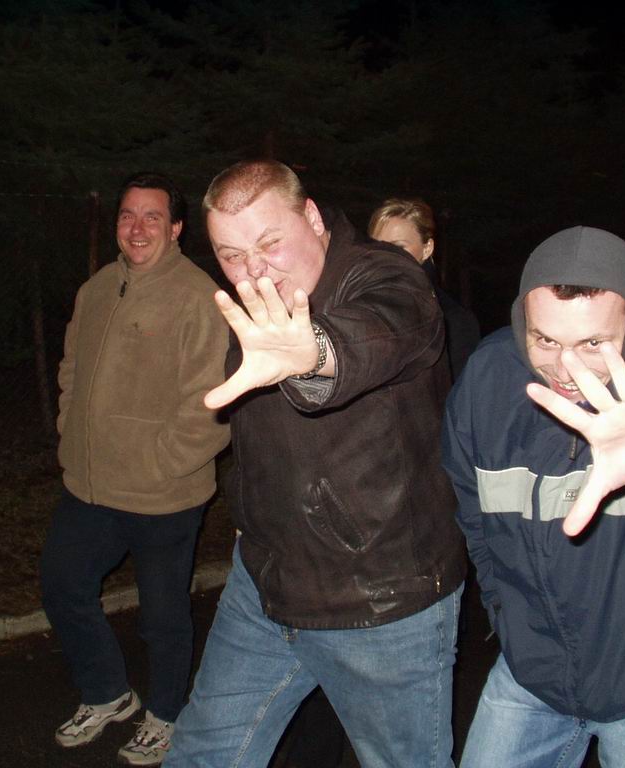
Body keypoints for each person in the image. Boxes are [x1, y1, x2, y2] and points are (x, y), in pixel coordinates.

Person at [164, 159, 468, 768]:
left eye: (269, 243)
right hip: (266, 580)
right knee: (202, 753)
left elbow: (383, 330)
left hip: (379, 598)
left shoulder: (386, 274)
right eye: (230, 255)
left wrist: (314, 354)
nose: (254, 270)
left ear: (312, 217)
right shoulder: (258, 300)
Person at [442, 226, 625, 768]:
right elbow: (473, 511)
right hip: (532, 670)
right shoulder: (488, 375)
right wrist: (504, 611)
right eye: (545, 340)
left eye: (593, 344)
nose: (566, 369)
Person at [40, 172, 230, 766]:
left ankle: (166, 715)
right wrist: (71, 427)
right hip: (91, 484)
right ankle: (107, 692)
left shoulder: (198, 296)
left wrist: (165, 462)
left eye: (153, 217)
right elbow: (71, 367)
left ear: (176, 228)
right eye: (128, 215)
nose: (138, 227)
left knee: (163, 617)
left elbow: (213, 400)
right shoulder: (96, 288)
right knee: (63, 585)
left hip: (163, 492)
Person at [369, 198, 481, 380]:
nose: (386, 254)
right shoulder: (363, 304)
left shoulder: (453, 319)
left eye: (399, 246)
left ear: (427, 248)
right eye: (378, 246)